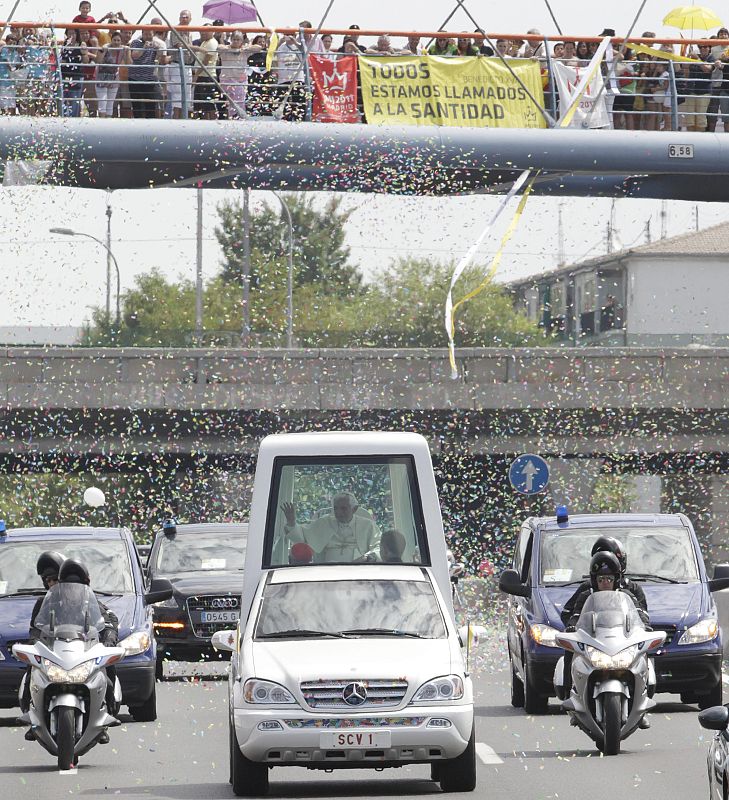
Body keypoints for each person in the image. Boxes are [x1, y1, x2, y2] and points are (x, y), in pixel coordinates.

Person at [281, 492, 381, 563]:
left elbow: (379, 545)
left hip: (360, 570)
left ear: (354, 509)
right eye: (336, 508)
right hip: (327, 570)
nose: (338, 512)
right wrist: (292, 522)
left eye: (343, 508)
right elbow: (302, 538)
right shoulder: (325, 522)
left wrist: (368, 558)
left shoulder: (367, 525)